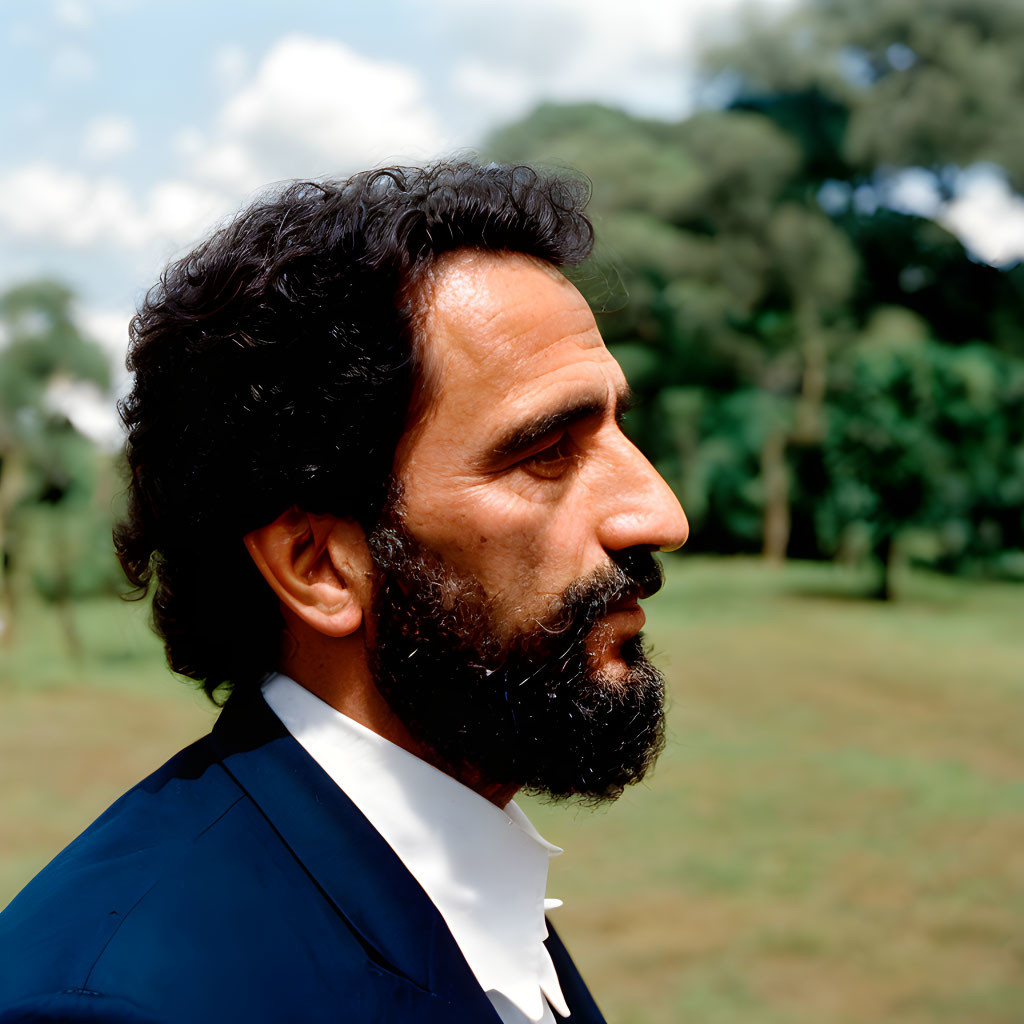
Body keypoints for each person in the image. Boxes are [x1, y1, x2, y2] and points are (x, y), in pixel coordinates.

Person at [0, 161, 688, 1023]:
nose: (661, 513)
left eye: (622, 427)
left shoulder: (452, 864)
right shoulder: (123, 1004)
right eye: (547, 450)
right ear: (318, 566)